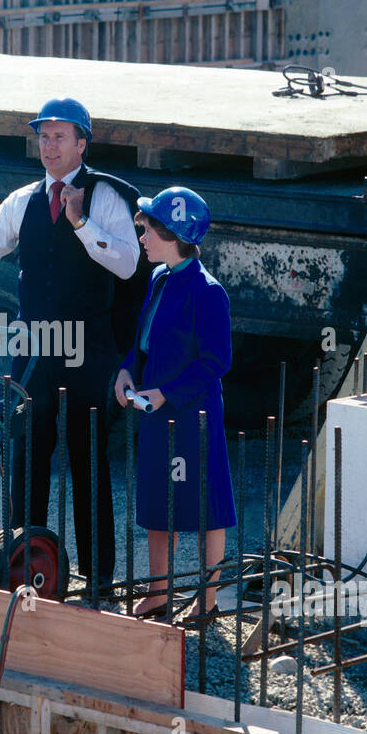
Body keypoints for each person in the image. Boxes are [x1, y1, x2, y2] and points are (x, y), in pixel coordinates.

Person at [0, 97, 140, 589]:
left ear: (82, 143)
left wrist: (81, 223)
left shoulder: (105, 196)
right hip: (33, 347)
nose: (49, 146)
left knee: (89, 461)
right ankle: (25, 566)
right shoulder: (23, 199)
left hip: (89, 350)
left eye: (59, 137)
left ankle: (98, 577)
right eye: (43, 137)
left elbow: (129, 264)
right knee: (28, 456)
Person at [115, 186, 236, 620]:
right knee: (157, 499)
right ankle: (159, 592)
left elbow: (217, 359)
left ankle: (207, 601)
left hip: (191, 414)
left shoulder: (207, 291)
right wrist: (128, 369)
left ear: (171, 233)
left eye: (147, 228)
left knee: (204, 504)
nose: (142, 236)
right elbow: (142, 341)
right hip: (155, 412)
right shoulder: (159, 277)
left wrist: (167, 392)